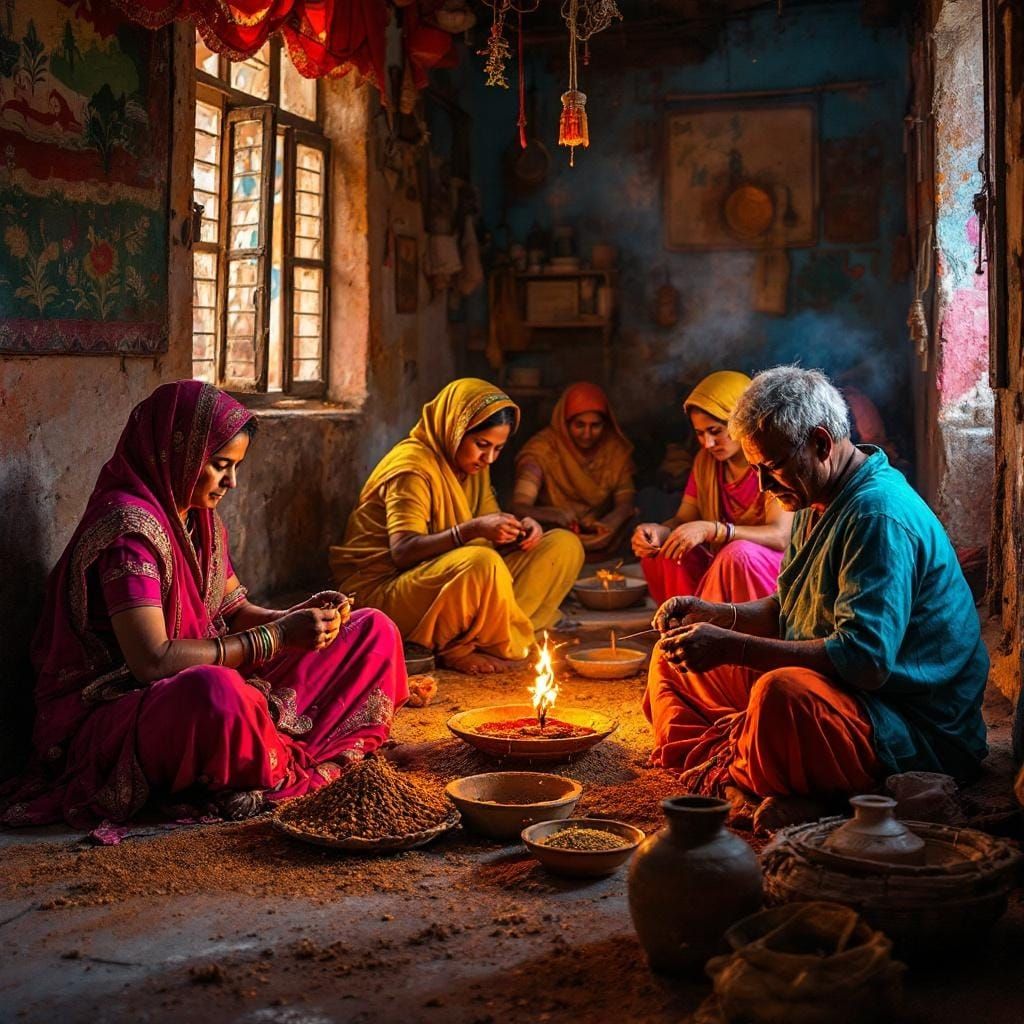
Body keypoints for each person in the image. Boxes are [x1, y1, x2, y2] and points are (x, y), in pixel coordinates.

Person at [2, 382, 408, 831]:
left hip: (213, 668)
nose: (231, 482)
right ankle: (264, 751)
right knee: (217, 694)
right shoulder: (128, 534)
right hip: (127, 704)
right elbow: (151, 661)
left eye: (234, 467)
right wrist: (275, 638)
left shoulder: (198, 516)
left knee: (374, 630)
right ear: (179, 453)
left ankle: (257, 745)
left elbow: (234, 611)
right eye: (220, 466)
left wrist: (295, 619)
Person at [644, 366, 988, 832]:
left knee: (780, 692)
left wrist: (732, 647)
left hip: (908, 725)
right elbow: (786, 607)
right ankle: (761, 772)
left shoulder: (876, 515)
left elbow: (864, 660)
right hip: (846, 694)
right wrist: (717, 616)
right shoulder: (815, 495)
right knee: (672, 659)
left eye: (772, 467)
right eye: (756, 469)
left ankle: (777, 780)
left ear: (821, 444)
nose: (764, 486)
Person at [330, 378, 584, 674]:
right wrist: (471, 530)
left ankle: (489, 635)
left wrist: (519, 531)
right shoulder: (411, 468)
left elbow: (489, 534)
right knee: (481, 563)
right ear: (454, 429)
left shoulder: (473, 466)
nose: (488, 458)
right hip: (388, 590)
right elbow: (402, 551)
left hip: (454, 577)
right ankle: (465, 644)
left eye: (498, 449)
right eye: (482, 445)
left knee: (564, 545)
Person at [632, 370, 792, 607]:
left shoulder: (773, 458)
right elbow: (684, 520)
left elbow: (781, 536)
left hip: (771, 566)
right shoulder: (706, 461)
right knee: (666, 550)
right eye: (699, 434)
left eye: (716, 431)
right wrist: (658, 531)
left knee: (737, 554)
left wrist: (716, 531)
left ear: (744, 422)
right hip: (722, 561)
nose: (708, 443)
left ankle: (742, 630)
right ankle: (687, 621)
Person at [511, 381, 635, 555]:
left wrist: (612, 521)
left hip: (604, 543)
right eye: (579, 425)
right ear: (564, 423)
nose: (587, 434)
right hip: (551, 541)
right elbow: (519, 507)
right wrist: (551, 514)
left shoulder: (615, 450)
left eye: (595, 425)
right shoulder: (541, 451)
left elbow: (626, 503)